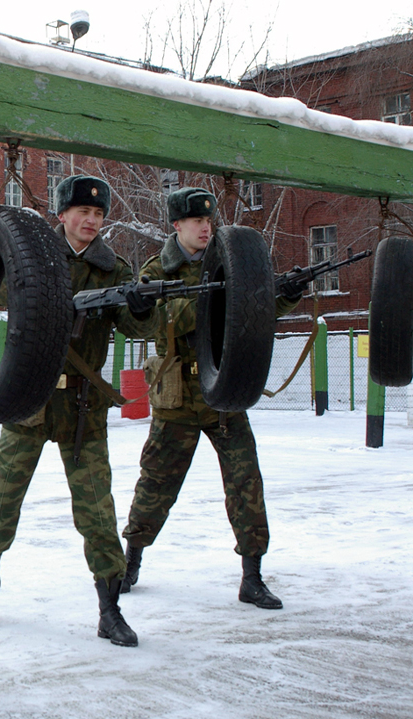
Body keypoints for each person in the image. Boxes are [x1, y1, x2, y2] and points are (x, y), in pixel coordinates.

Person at [0, 175, 155, 647]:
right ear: (62, 215)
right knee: (2, 499)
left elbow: (136, 325)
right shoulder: (36, 255)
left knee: (96, 512)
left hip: (82, 409)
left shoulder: (113, 269)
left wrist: (140, 304)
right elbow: (1, 293)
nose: (90, 221)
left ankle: (110, 608)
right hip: (30, 398)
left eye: (98, 215)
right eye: (81, 213)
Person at [119, 187, 302, 608]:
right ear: (177, 225)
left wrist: (283, 293)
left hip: (224, 394)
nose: (205, 228)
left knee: (246, 483)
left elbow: (253, 309)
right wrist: (217, 299)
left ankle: (252, 577)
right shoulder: (156, 271)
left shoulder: (231, 262)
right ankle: (131, 561)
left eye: (209, 221)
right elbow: (155, 321)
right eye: (196, 222)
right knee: (156, 484)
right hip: (179, 399)